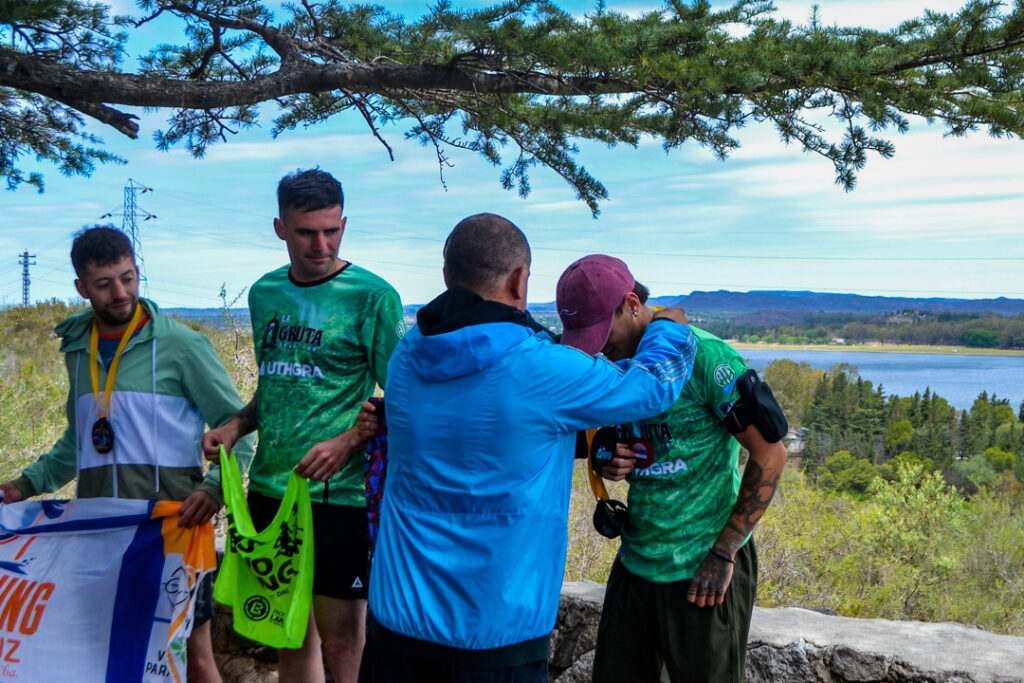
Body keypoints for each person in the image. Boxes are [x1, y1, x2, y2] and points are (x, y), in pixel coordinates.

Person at [357, 213, 697, 683]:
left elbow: (492, 429)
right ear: (520, 280)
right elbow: (651, 387)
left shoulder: (408, 357)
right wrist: (668, 326)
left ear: (446, 276)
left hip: (396, 623)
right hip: (497, 634)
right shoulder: (542, 368)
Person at [0, 225, 254, 683]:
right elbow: (79, 442)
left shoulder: (183, 345)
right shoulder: (77, 350)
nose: (121, 292)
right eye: (104, 284)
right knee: (102, 657)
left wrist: (216, 491)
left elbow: (242, 430)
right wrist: (24, 485)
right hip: (102, 534)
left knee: (192, 658)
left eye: (128, 277)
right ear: (81, 287)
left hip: (173, 528)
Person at [202, 168, 404, 683]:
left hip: (339, 497)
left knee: (344, 648)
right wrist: (235, 427)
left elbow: (405, 398)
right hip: (270, 490)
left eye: (332, 230)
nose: (321, 244)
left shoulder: (372, 295)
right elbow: (275, 384)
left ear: (343, 223)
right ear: (279, 228)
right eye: (306, 232)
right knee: (288, 638)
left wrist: (349, 438)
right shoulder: (265, 292)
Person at [556, 254, 789, 683]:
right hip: (636, 562)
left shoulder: (706, 358)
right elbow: (601, 432)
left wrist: (725, 552)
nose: (595, 347)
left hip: (705, 569)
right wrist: (607, 452)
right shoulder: (609, 363)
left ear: (631, 303)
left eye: (599, 332)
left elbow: (770, 454)